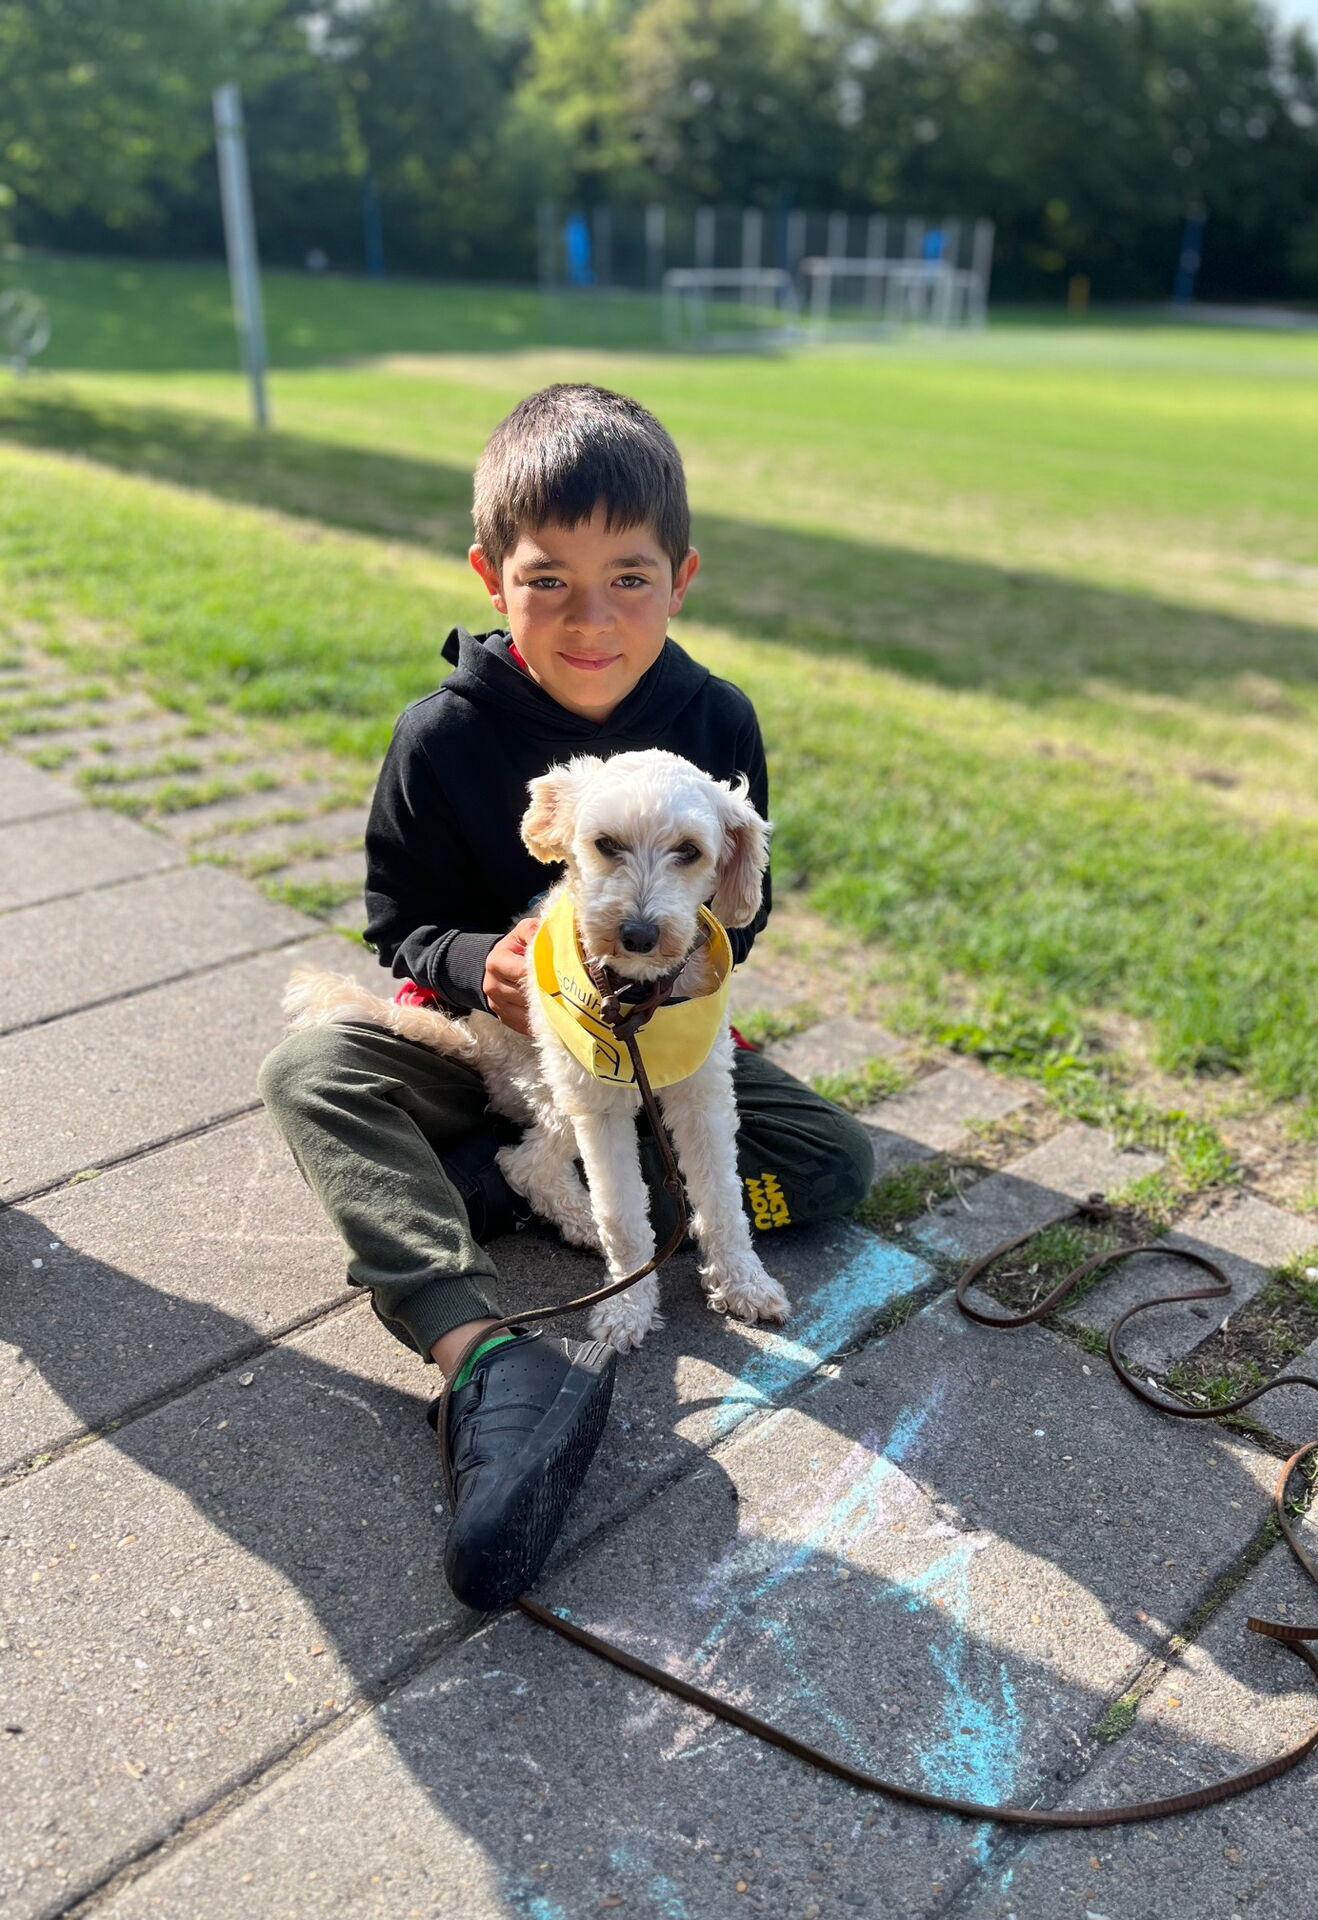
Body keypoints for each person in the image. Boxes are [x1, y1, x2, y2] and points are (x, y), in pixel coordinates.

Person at [258, 383, 873, 1611]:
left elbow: (742, 902)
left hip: (654, 1036)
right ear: (493, 577)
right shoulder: (441, 736)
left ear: (682, 575)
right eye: (550, 581)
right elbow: (397, 924)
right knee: (313, 1073)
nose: (592, 619)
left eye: (630, 579)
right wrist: (467, 959)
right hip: (484, 1028)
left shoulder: (716, 721)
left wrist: (697, 976)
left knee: (832, 1164)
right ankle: (474, 1345)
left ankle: (493, 1189)